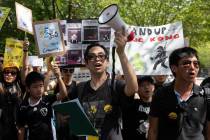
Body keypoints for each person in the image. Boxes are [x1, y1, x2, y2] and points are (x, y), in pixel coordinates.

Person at [69, 29, 138, 140]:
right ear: (86, 63)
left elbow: (133, 88)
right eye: (91, 57)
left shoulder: (116, 86)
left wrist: (121, 52)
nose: (97, 59)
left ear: (107, 62)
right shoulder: (79, 89)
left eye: (101, 56)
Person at [148, 47, 210, 140]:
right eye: (186, 63)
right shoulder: (160, 94)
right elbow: (153, 131)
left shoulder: (206, 96)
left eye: (196, 64)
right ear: (174, 68)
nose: (192, 67)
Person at [17, 64, 67, 140]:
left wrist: (59, 77)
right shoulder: (23, 107)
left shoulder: (47, 99)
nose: (39, 89)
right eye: (35, 87)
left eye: (41, 86)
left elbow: (63, 94)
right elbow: (22, 129)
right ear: (27, 89)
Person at [122, 76, 155, 140]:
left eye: (149, 84)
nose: (146, 87)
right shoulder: (132, 105)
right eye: (142, 85)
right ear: (137, 89)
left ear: (154, 87)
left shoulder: (159, 105)